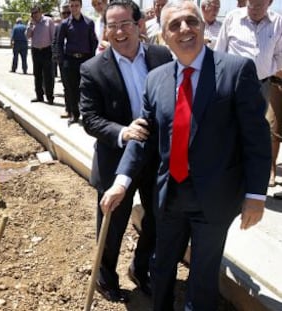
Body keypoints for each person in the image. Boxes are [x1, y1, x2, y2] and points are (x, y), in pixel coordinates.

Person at [100, 1, 271, 310]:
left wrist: (256, 195)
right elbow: (142, 136)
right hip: (170, 197)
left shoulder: (235, 70)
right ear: (163, 35)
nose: (184, 29)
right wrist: (121, 182)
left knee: (203, 279)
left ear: (203, 26)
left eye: (191, 21)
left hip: (215, 199)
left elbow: (257, 140)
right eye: (174, 25)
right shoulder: (157, 79)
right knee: (162, 266)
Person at [79, 0, 172, 303]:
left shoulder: (161, 56)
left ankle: (140, 269)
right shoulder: (93, 69)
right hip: (116, 159)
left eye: (125, 24)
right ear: (105, 30)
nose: (119, 32)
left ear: (139, 25)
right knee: (112, 225)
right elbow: (90, 119)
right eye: (112, 25)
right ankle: (107, 279)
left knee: (157, 219)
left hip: (156, 159)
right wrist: (123, 132)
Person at [215, 0, 282, 186]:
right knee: (229, 127)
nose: (254, 8)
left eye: (259, 4)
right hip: (231, 84)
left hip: (261, 86)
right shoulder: (232, 18)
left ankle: (245, 176)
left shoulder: (278, 22)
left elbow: (280, 56)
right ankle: (226, 173)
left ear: (269, 3)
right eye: (251, 3)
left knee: (253, 131)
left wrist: (265, 69)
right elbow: (219, 52)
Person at [57, 0, 98, 126]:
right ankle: (74, 114)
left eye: (76, 5)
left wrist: (91, 60)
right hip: (70, 60)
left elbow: (93, 42)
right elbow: (59, 43)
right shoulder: (64, 24)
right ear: (69, 7)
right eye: (72, 5)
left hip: (85, 60)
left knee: (85, 88)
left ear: (80, 6)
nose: (74, 8)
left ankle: (86, 114)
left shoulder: (89, 23)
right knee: (71, 89)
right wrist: (62, 60)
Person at [26, 5, 55, 105]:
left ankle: (50, 97)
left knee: (48, 75)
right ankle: (39, 96)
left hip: (47, 51)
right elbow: (27, 36)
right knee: (37, 74)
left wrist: (54, 51)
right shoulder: (31, 23)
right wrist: (30, 27)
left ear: (40, 12)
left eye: (35, 12)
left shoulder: (48, 21)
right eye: (32, 13)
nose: (34, 15)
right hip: (35, 51)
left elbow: (53, 37)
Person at [52, 3, 71, 118]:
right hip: (64, 61)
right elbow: (55, 42)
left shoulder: (80, 25)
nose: (66, 15)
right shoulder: (59, 27)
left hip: (77, 61)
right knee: (67, 86)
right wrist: (56, 56)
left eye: (68, 12)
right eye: (64, 13)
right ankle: (69, 109)